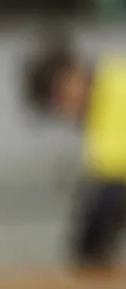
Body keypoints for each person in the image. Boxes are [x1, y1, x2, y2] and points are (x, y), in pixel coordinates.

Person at [24, 38, 126, 267]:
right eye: (57, 101)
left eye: (64, 88)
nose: (68, 101)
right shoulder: (101, 111)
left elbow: (111, 183)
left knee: (102, 200)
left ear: (77, 67)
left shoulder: (117, 84)